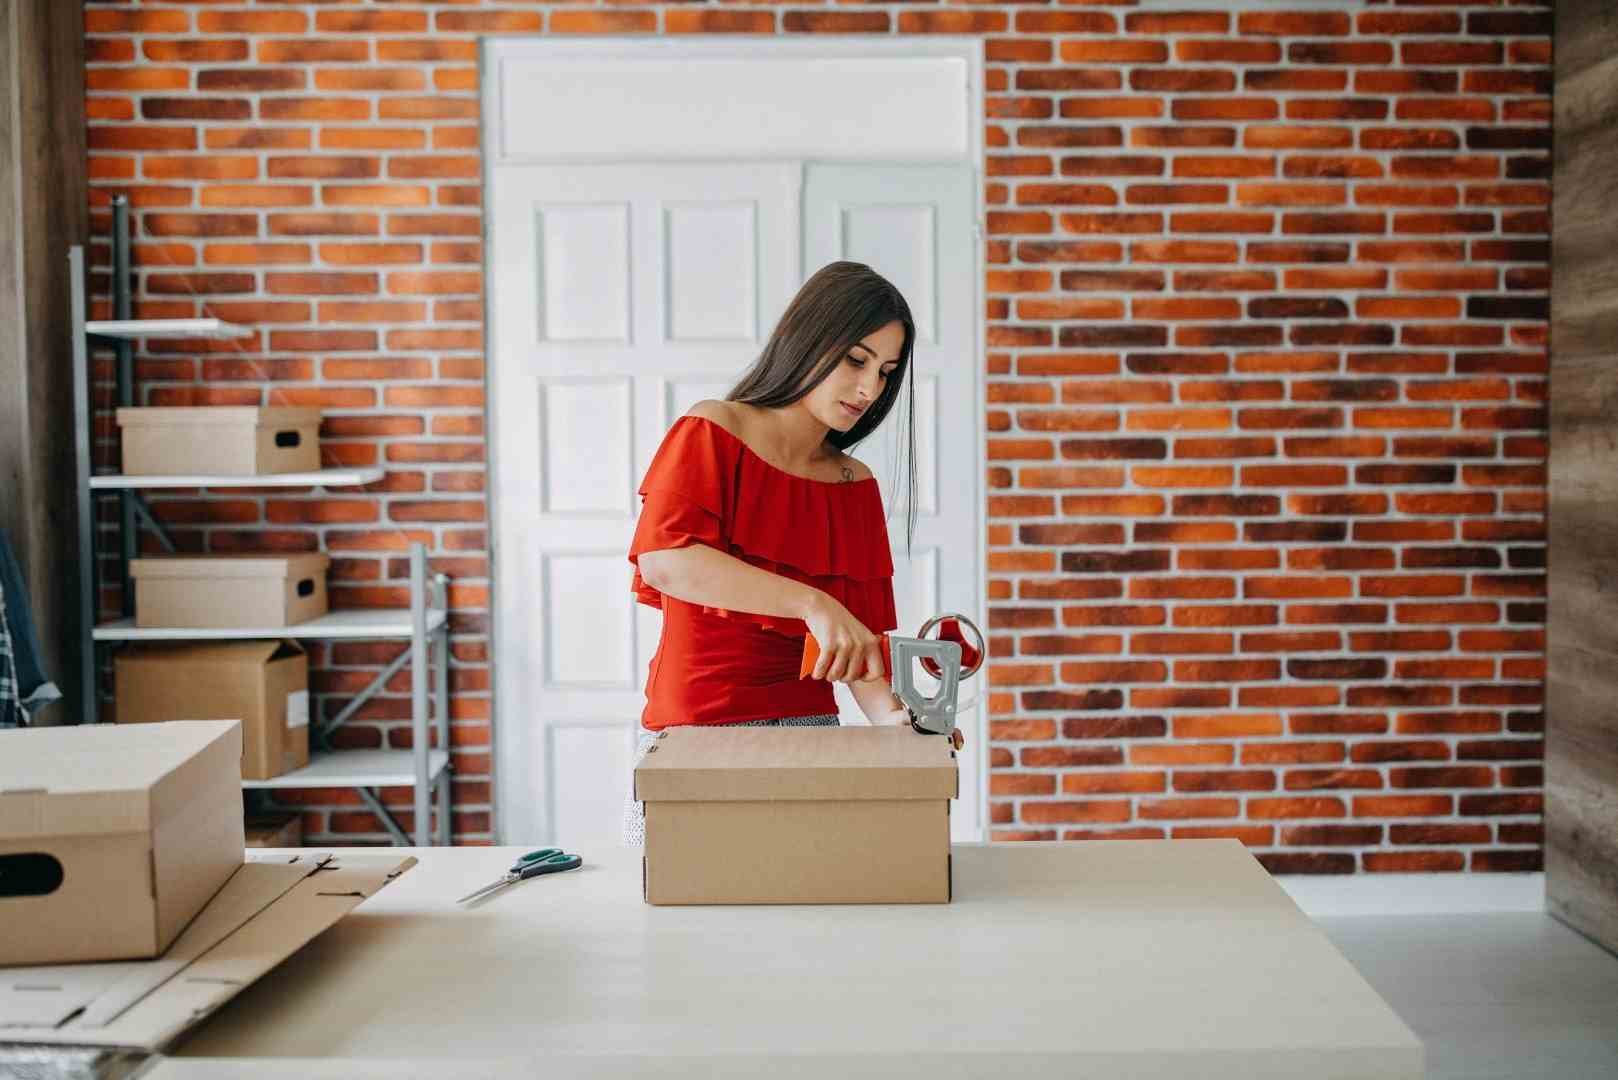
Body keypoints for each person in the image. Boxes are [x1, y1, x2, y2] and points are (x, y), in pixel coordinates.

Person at [621, 261, 918, 845]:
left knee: (804, 913)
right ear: (808, 339)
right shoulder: (713, 429)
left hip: (812, 731)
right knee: (670, 919)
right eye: (856, 361)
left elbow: (858, 647)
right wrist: (814, 603)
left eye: (885, 372)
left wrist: (900, 724)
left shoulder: (852, 484)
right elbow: (667, 559)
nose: (869, 389)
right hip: (694, 734)